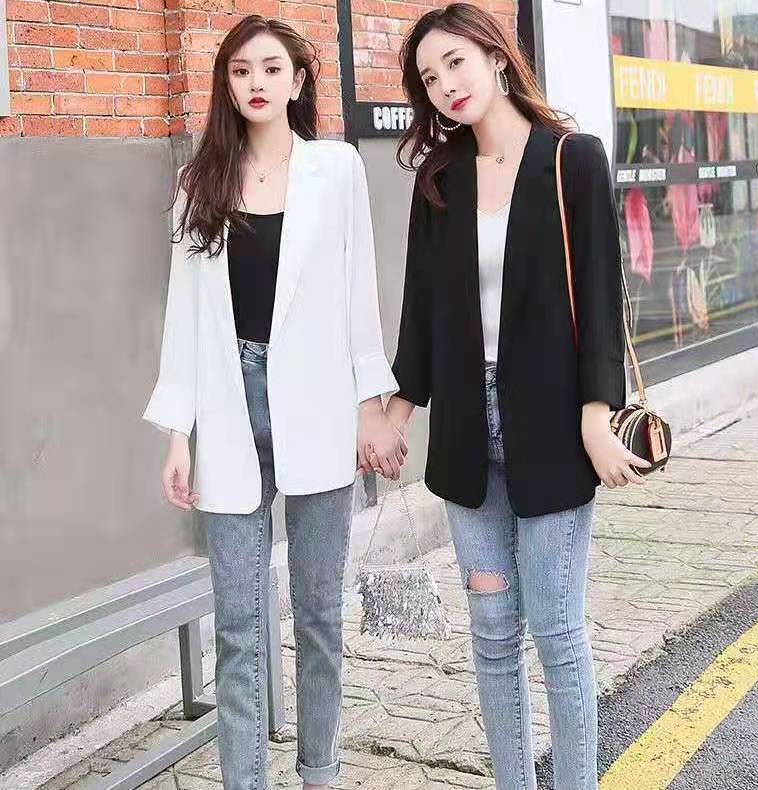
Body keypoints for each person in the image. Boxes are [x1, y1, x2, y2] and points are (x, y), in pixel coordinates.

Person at [377, 5, 650, 789]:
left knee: (558, 633)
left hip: (555, 429)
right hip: (468, 432)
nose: (446, 85)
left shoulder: (572, 159)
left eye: (456, 63)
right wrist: (398, 410)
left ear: (497, 57)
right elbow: (422, 309)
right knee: (494, 632)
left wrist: (596, 415)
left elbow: (601, 297)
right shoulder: (440, 179)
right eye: (430, 77)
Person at [142, 15, 406, 790]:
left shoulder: (337, 168)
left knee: (319, 616)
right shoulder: (200, 181)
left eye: (269, 68)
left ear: (297, 80)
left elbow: (359, 294)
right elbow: (184, 314)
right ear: (226, 85)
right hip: (229, 404)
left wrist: (370, 402)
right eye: (240, 71)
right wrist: (178, 431)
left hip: (318, 403)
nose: (255, 82)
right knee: (237, 626)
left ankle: (319, 773)